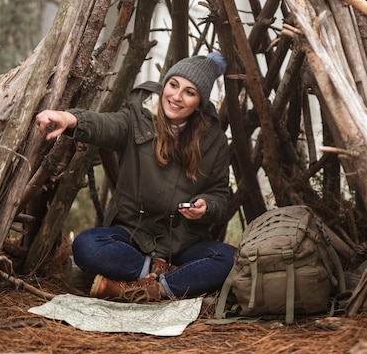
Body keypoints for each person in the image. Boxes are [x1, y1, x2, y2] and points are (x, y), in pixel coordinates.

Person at [35, 52, 236, 303]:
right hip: (132, 236)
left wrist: (206, 206)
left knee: (230, 259)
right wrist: (71, 118)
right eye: (173, 85)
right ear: (165, 85)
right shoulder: (138, 118)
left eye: (189, 92)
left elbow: (219, 194)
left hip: (182, 244)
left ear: (199, 102)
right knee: (86, 246)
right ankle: (163, 278)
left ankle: (147, 287)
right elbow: (107, 125)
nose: (176, 96)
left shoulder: (213, 140)